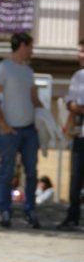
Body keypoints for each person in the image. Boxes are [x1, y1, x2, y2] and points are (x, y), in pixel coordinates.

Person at [0, 32, 43, 228]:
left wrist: (47, 120)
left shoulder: (28, 71)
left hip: (29, 130)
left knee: (32, 172)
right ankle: (4, 210)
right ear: (22, 45)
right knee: (6, 172)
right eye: (30, 46)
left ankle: (30, 211)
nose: (32, 50)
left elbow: (34, 98)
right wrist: (2, 123)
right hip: (9, 131)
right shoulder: (4, 68)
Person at [57, 38, 84, 230]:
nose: (79, 55)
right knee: (75, 177)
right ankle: (72, 216)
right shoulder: (77, 76)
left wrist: (77, 106)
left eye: (82, 51)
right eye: (79, 51)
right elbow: (70, 103)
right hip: (80, 134)